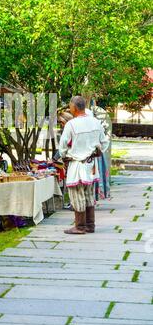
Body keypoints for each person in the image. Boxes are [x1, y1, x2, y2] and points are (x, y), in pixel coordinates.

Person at [59, 96, 109, 234]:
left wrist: (64, 156)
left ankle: (80, 226)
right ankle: (90, 225)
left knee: (77, 194)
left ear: (74, 108)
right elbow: (104, 143)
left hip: (77, 163)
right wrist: (97, 151)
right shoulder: (95, 122)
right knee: (88, 194)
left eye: (70, 106)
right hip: (91, 164)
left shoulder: (71, 124)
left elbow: (62, 147)